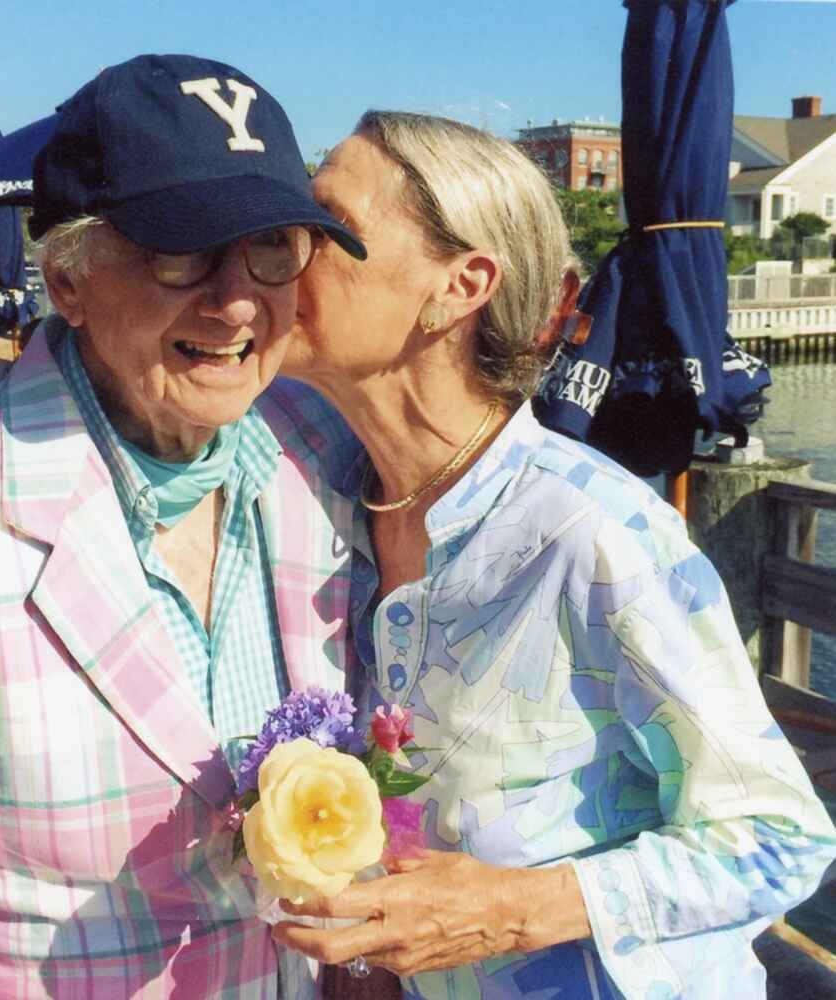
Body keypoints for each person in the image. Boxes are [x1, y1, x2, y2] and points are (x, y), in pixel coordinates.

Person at [271, 111, 836, 999]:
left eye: (327, 224)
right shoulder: (324, 500)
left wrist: (516, 908)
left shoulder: (589, 532)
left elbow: (778, 837)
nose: (282, 248)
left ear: (459, 286)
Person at [0, 53, 366, 998]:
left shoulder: (317, 448)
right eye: (181, 250)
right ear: (67, 281)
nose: (237, 300)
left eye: (272, 246)